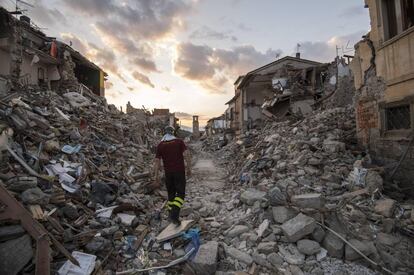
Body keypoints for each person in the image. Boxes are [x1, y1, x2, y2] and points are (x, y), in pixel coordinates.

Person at [153, 126, 191, 226]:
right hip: (179, 171)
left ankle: (171, 215)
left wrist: (156, 176)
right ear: (173, 132)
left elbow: (157, 162)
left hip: (168, 173)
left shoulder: (160, 145)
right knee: (180, 194)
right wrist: (189, 168)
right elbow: (186, 154)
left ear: (164, 133)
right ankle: (174, 215)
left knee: (171, 194)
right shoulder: (179, 142)